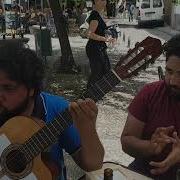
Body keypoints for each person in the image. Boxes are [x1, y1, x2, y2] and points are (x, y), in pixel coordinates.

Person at [0, 42, 104, 179]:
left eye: (8, 88)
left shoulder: (58, 109)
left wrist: (88, 129)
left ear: (31, 88)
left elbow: (93, 165)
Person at [121, 34, 180, 180]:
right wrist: (150, 147)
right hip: (145, 172)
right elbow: (127, 141)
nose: (173, 81)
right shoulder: (150, 93)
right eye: (169, 71)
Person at [86, 0, 115, 88]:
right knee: (97, 73)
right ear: (95, 1)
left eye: (104, 0)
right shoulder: (95, 15)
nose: (104, 2)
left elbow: (98, 31)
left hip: (99, 48)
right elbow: (89, 34)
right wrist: (105, 39)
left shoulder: (98, 15)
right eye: (101, 0)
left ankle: (95, 94)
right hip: (95, 49)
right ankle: (88, 95)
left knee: (105, 71)